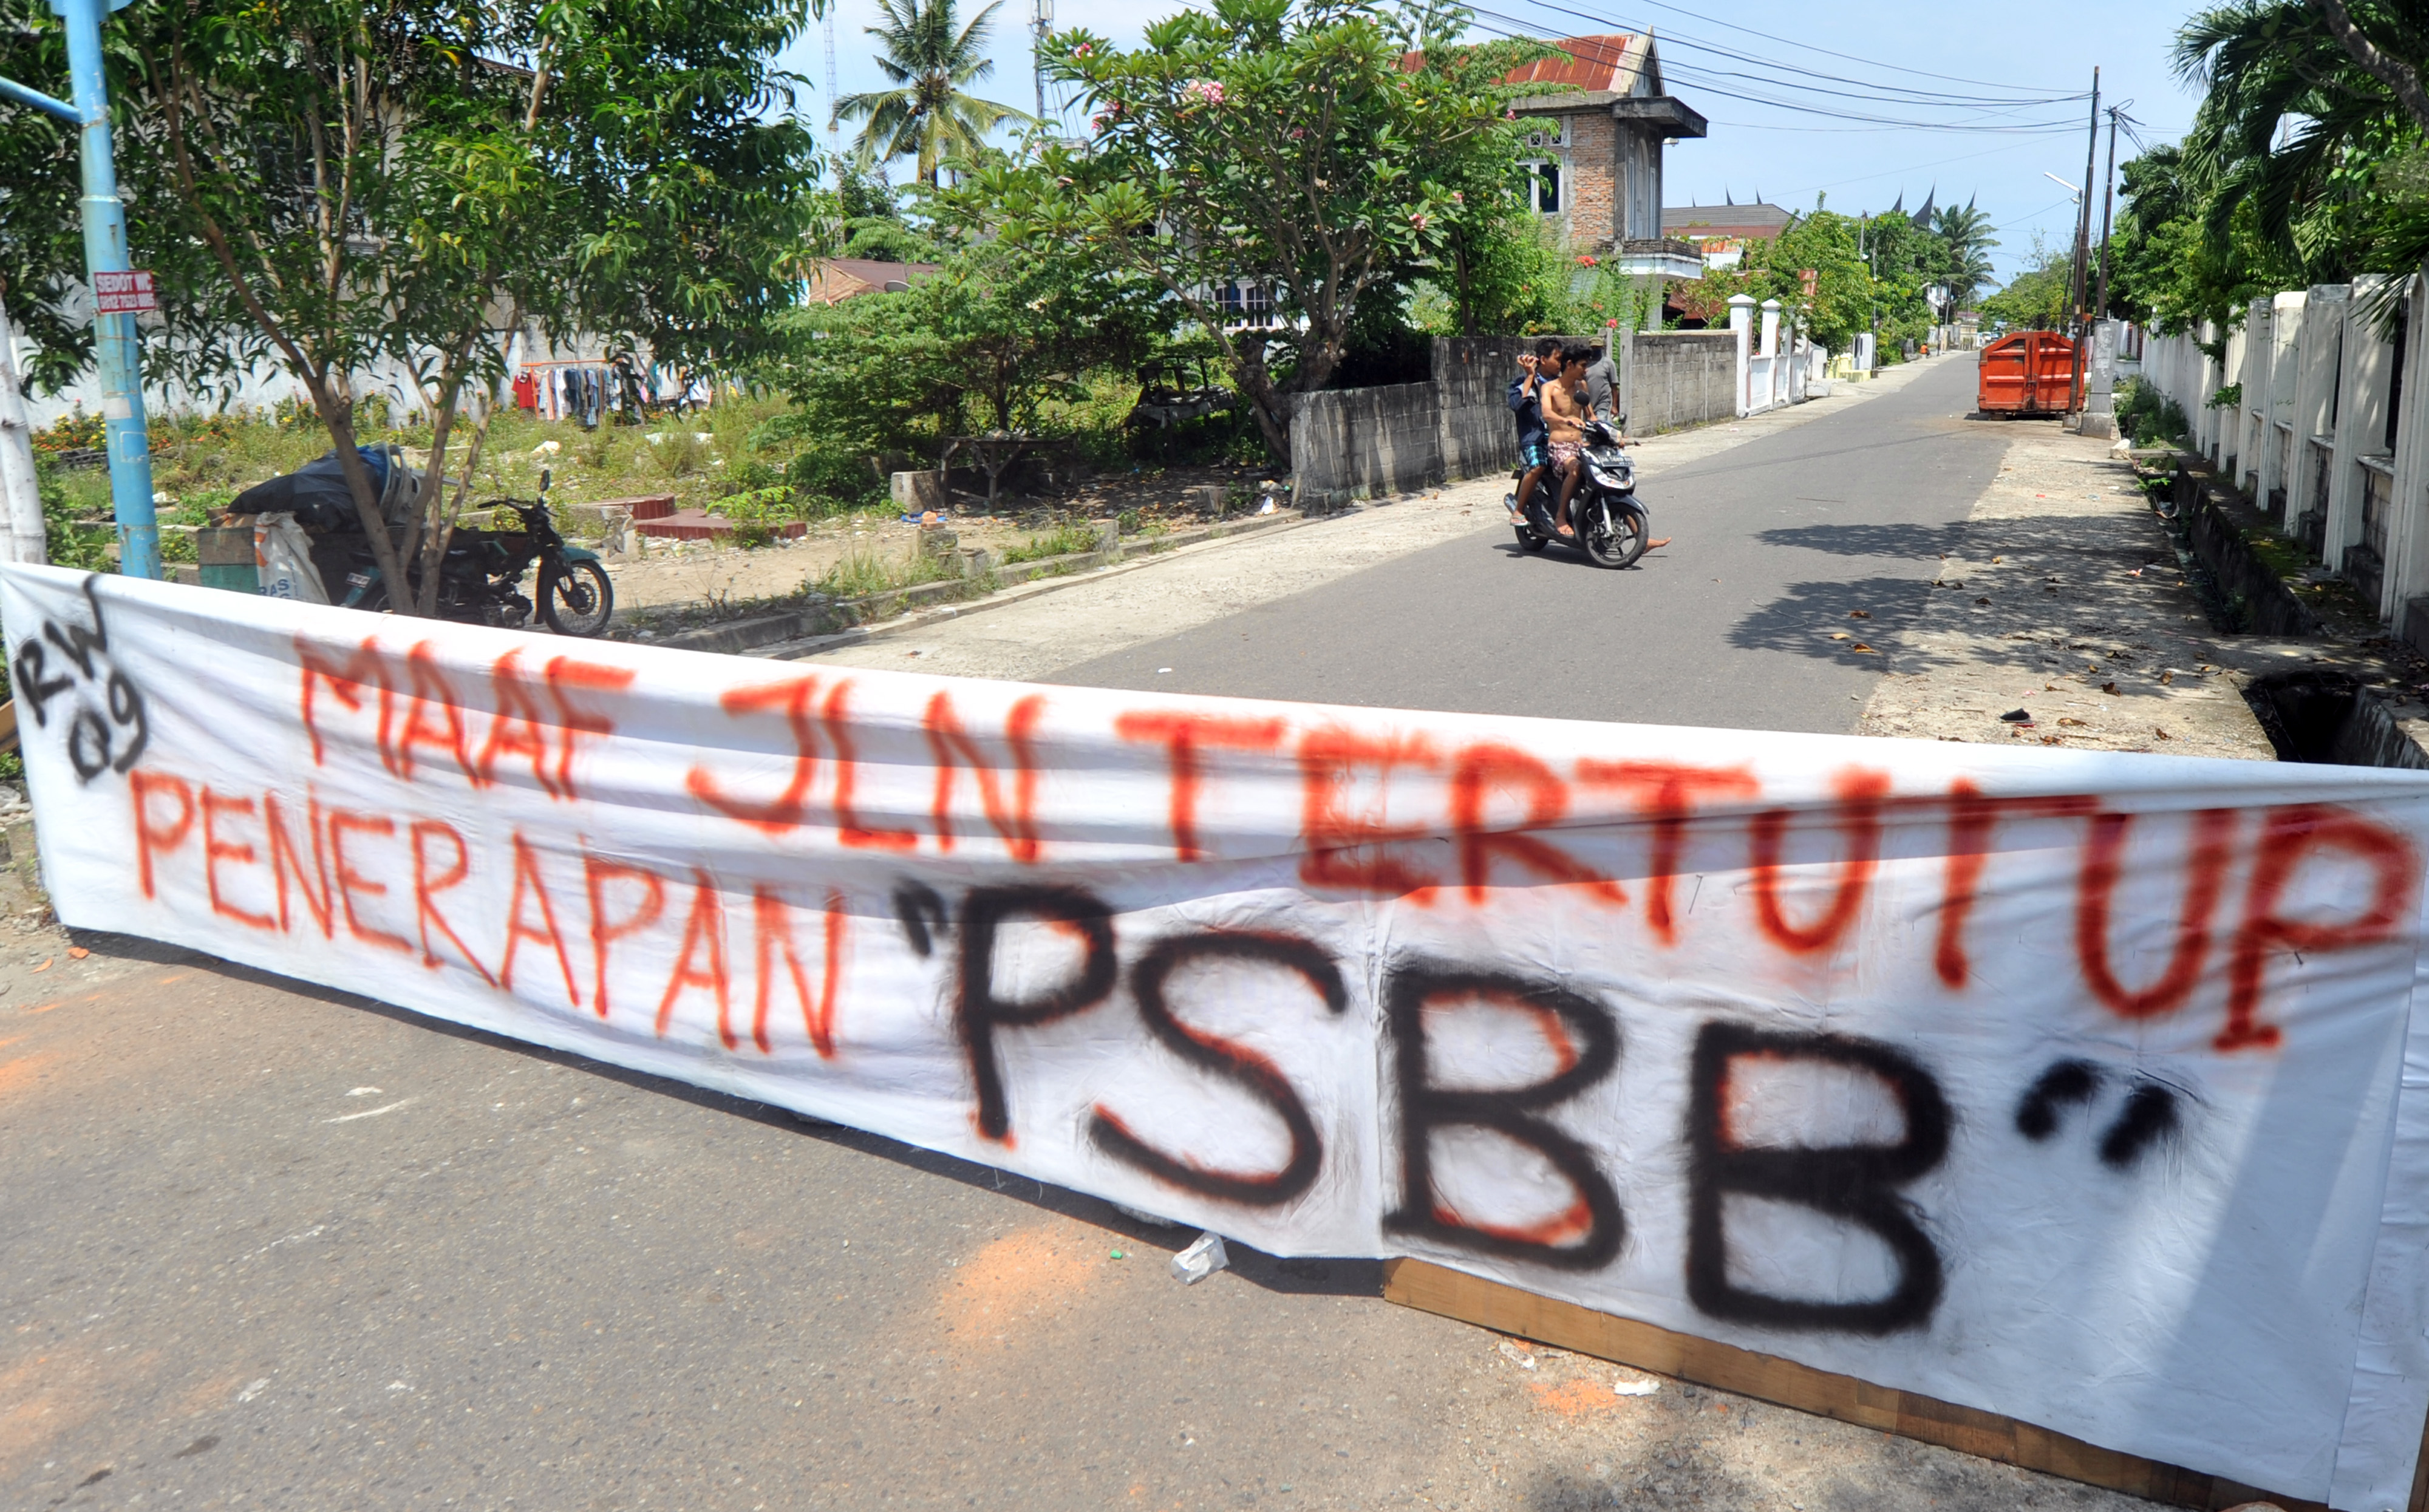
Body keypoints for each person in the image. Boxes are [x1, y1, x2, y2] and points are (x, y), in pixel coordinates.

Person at [1506, 336, 1564, 525]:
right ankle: (1518, 511)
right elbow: (1516, 405)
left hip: (1558, 437)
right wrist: (1530, 376)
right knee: (1538, 467)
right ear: (1544, 359)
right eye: (1557, 359)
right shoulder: (1521, 382)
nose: (1560, 364)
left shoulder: (1560, 383)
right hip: (1534, 439)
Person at [1542, 344, 1593, 536]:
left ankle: (1640, 535)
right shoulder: (1550, 388)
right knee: (1576, 468)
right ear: (1570, 365)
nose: (1586, 370)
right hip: (1559, 447)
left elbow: (1591, 416)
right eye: (1583, 365)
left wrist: (1613, 434)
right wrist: (1567, 421)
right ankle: (1561, 516)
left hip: (1580, 445)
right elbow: (1546, 413)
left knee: (1606, 472)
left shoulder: (1581, 387)